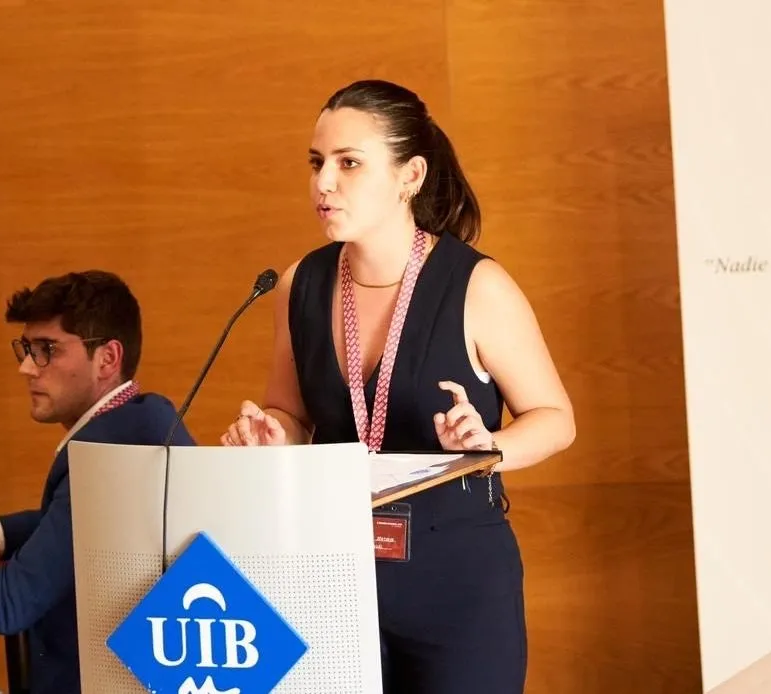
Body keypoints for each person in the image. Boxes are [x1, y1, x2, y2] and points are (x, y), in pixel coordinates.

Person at [221, 80, 575, 693]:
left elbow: (555, 418)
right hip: (332, 570)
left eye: (349, 163)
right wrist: (274, 436)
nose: (323, 183)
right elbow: (292, 413)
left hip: (456, 583)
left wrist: (487, 446)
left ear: (410, 175)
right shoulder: (300, 284)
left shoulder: (477, 285)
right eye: (316, 162)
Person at [0, 270, 195, 694]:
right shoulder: (141, 421)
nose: (26, 368)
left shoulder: (112, 451)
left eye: (46, 350)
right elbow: (70, 526)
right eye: (26, 349)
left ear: (107, 358)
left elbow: (9, 602)